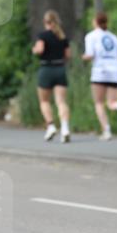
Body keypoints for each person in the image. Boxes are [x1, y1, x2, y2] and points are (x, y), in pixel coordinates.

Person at [82, 12, 117, 141]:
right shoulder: (113, 37)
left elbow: (90, 54)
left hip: (100, 71)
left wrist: (83, 57)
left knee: (99, 103)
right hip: (115, 71)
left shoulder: (91, 36)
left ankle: (106, 131)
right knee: (112, 102)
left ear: (95, 22)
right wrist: (113, 59)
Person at [32, 9, 70, 141]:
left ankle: (51, 125)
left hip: (46, 69)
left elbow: (40, 49)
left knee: (44, 101)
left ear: (45, 22)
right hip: (60, 69)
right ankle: (65, 128)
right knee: (61, 101)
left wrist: (35, 50)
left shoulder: (43, 35)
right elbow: (68, 55)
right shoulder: (62, 37)